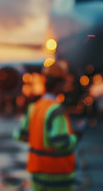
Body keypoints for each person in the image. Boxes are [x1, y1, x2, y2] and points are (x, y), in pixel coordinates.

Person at [14, 61, 78, 191]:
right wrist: (74, 137)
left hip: (37, 174)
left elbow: (20, 135)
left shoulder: (34, 107)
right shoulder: (56, 110)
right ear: (59, 84)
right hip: (57, 176)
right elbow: (60, 142)